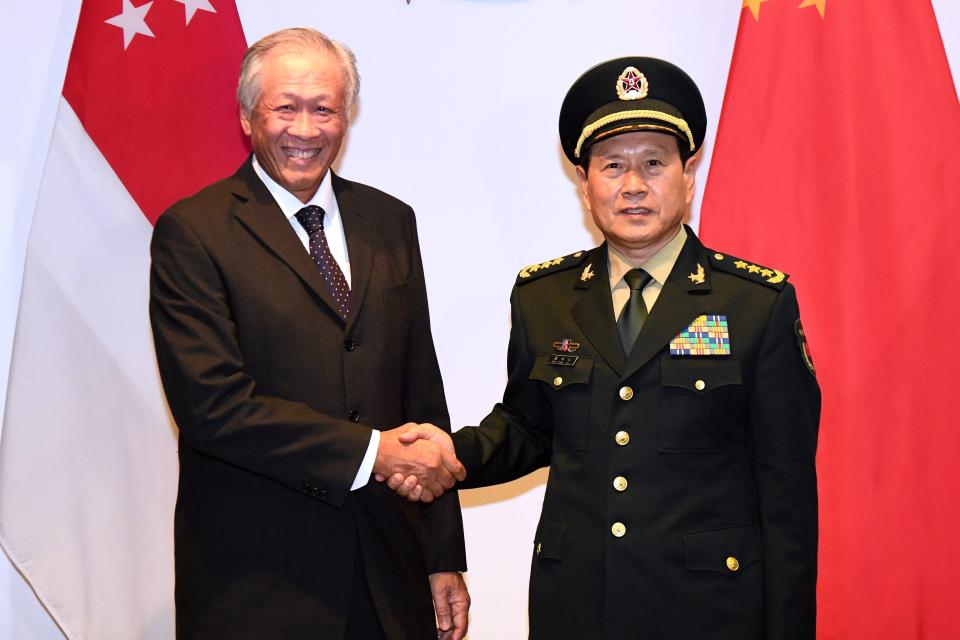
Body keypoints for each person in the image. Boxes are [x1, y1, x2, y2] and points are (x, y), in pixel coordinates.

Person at [386, 57, 820, 639]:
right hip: (579, 606)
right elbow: (528, 427)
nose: (634, 185)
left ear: (688, 177)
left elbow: (787, 497)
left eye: (654, 164)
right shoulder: (544, 296)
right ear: (585, 183)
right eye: (613, 165)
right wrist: (449, 457)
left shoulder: (756, 303)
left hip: (711, 612)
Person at [149, 28, 469, 640]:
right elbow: (212, 407)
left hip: (389, 576)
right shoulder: (194, 232)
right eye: (284, 107)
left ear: (346, 116)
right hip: (259, 586)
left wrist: (442, 554)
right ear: (247, 117)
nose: (305, 128)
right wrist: (373, 452)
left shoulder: (390, 220)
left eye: (324, 108)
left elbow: (421, 393)